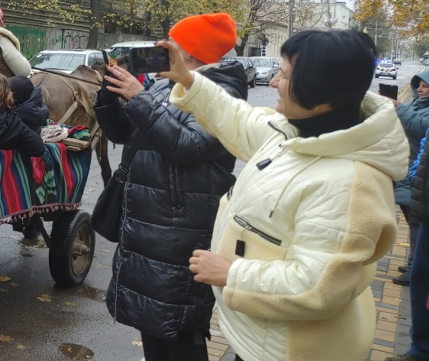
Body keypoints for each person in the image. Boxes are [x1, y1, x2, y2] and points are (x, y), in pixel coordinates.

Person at [163, 29, 407, 361]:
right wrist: (189, 79)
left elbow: (318, 286)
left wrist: (232, 273)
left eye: (286, 75)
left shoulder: (349, 183)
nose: (274, 82)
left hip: (292, 351)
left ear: (320, 94)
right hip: (262, 340)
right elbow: (239, 119)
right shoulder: (298, 133)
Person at [95, 13, 247, 361]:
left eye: (171, 41)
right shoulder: (164, 83)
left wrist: (138, 97)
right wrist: (109, 94)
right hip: (149, 224)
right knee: (153, 326)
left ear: (191, 51)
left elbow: (188, 146)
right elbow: (126, 133)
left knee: (178, 328)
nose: (162, 47)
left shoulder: (222, 89)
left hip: (180, 230)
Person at [387, 129, 429, 361]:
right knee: (421, 279)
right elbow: (424, 147)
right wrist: (414, 177)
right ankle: (420, 349)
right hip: (425, 206)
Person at [391, 70, 429, 285]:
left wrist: (400, 108)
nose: (420, 89)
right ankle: (412, 263)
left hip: (419, 173)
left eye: (425, 86)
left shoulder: (414, 108)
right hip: (410, 169)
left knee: (416, 222)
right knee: (412, 218)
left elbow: (420, 127)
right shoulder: (416, 105)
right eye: (419, 86)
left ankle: (415, 268)